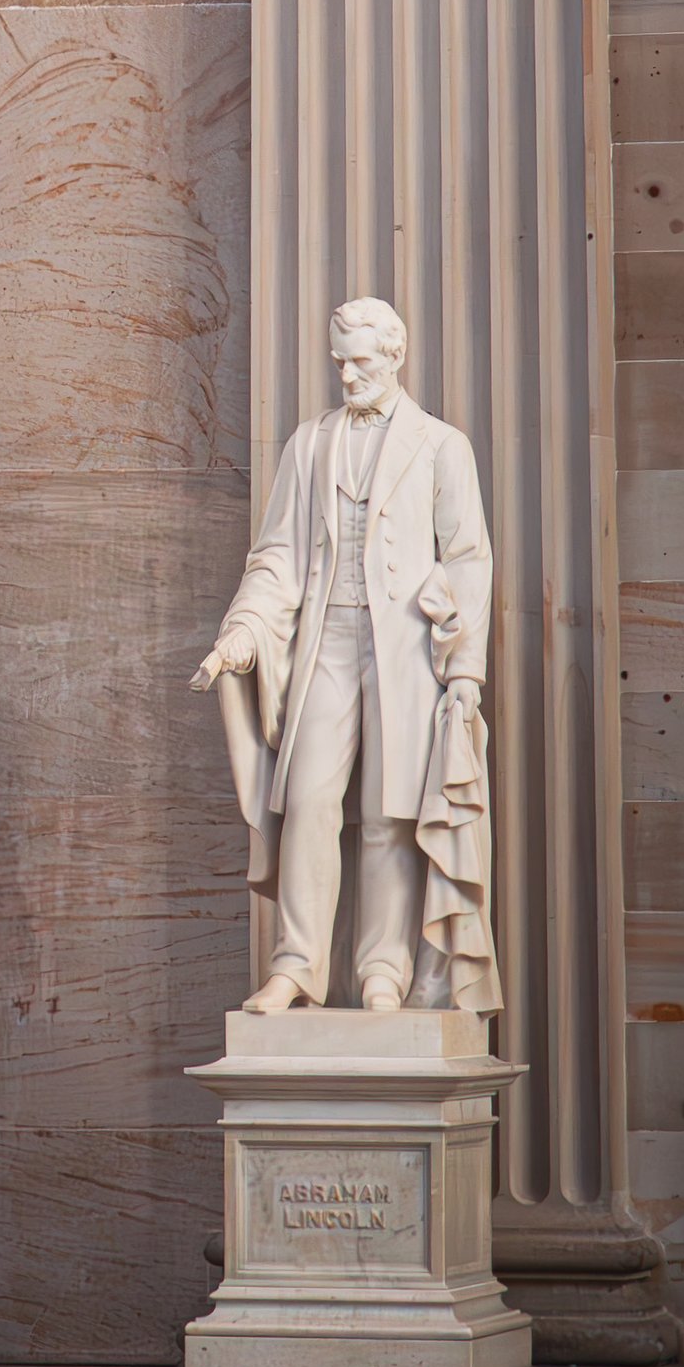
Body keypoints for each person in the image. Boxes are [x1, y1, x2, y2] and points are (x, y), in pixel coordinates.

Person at [192, 297, 501, 1016]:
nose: (348, 375)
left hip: (407, 648)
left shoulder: (441, 445)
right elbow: (276, 555)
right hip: (325, 640)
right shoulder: (309, 444)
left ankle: (381, 972)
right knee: (308, 801)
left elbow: (469, 561)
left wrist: (464, 671)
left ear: (395, 356)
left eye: (361, 361)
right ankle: (296, 966)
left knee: (392, 813)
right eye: (339, 361)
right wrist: (244, 631)